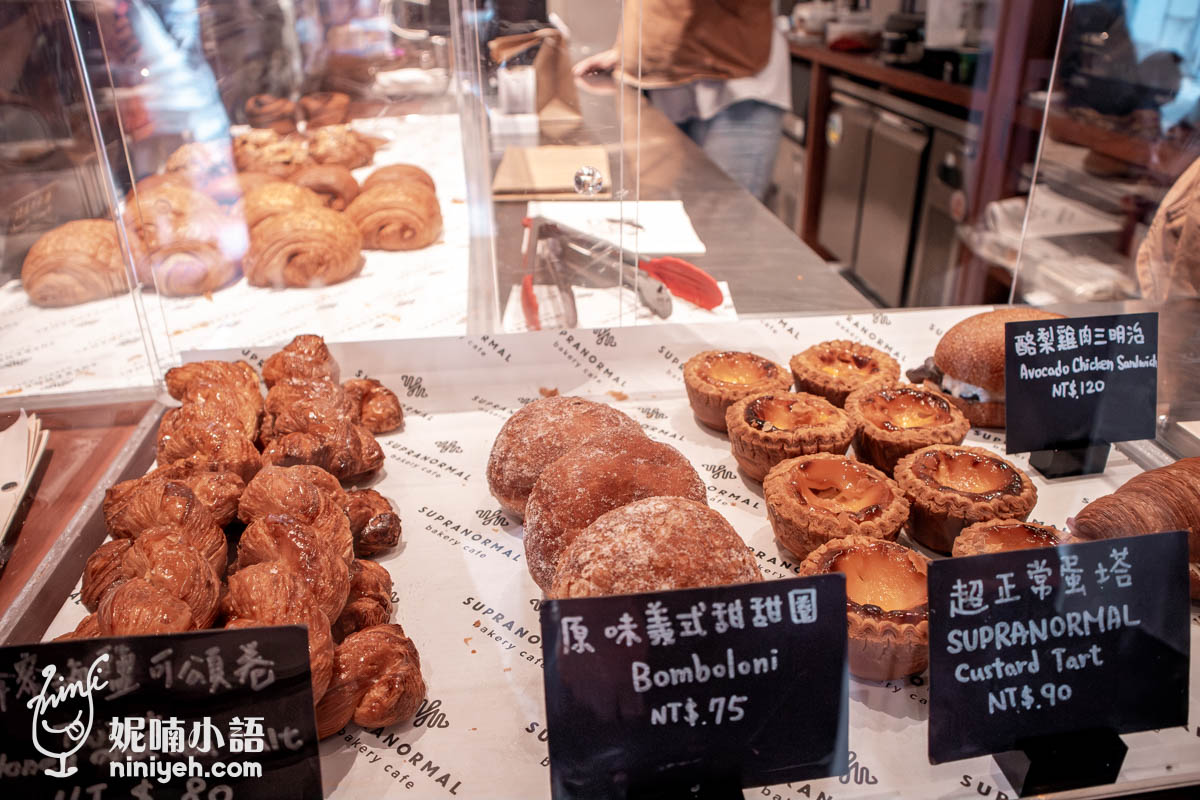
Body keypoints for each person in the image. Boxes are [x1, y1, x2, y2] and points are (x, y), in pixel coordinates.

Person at [573, 1, 789, 201]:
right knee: (656, 221)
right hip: (659, 83)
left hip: (740, 84)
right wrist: (632, 47)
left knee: (730, 222)